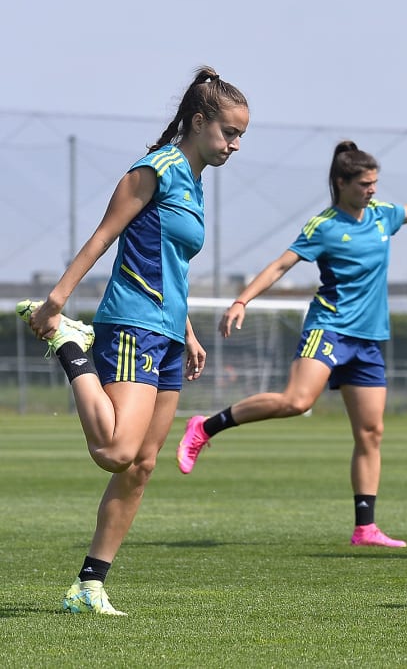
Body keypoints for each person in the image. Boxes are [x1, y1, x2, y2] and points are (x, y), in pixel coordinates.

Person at [16, 67, 249, 615]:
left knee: (143, 464)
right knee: (116, 452)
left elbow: (172, 265)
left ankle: (89, 585)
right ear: (198, 121)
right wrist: (57, 302)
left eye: (241, 136)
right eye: (228, 133)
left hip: (167, 333)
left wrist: (188, 332)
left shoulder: (194, 180)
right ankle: (72, 348)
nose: (235, 145)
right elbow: (104, 236)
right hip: (132, 324)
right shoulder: (155, 170)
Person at [175, 141, 407, 549]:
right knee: (297, 402)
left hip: (369, 340)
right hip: (329, 329)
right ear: (341, 183)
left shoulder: (384, 216)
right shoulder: (324, 226)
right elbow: (283, 263)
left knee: (371, 432)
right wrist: (243, 299)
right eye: (365, 183)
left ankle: (365, 527)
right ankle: (205, 426)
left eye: (375, 183)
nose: (373, 190)